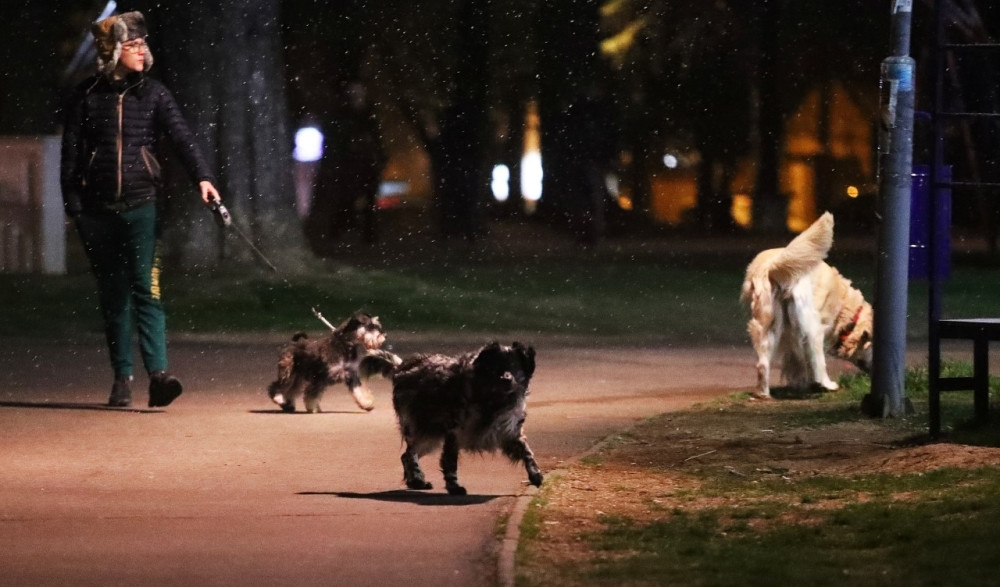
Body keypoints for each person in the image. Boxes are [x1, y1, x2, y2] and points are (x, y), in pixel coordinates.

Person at [60, 11, 221, 408]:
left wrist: (202, 176)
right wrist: (75, 208)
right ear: (112, 51)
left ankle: (159, 376)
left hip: (141, 208)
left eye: (142, 44)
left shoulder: (154, 94)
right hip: (97, 212)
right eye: (132, 45)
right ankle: (122, 378)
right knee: (114, 296)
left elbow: (182, 137)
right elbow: (70, 155)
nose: (141, 51)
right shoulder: (86, 95)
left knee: (147, 290)